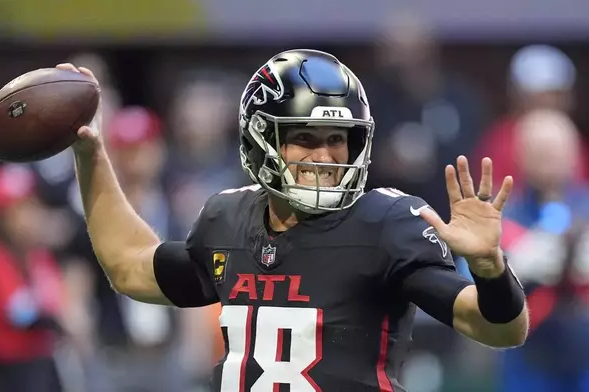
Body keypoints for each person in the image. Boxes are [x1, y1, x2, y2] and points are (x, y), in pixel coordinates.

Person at [58, 49, 528, 391]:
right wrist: (91, 152)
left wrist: (490, 269)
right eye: (304, 137)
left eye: (338, 139)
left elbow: (501, 328)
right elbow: (128, 265)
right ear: (261, 141)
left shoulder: (384, 224)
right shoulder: (228, 219)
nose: (325, 155)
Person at [0, 164, 66, 392]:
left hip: (43, 359)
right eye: (18, 209)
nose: (28, 216)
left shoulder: (35, 252)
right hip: (13, 366)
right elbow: (20, 312)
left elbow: (57, 294)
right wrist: (56, 316)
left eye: (30, 205)